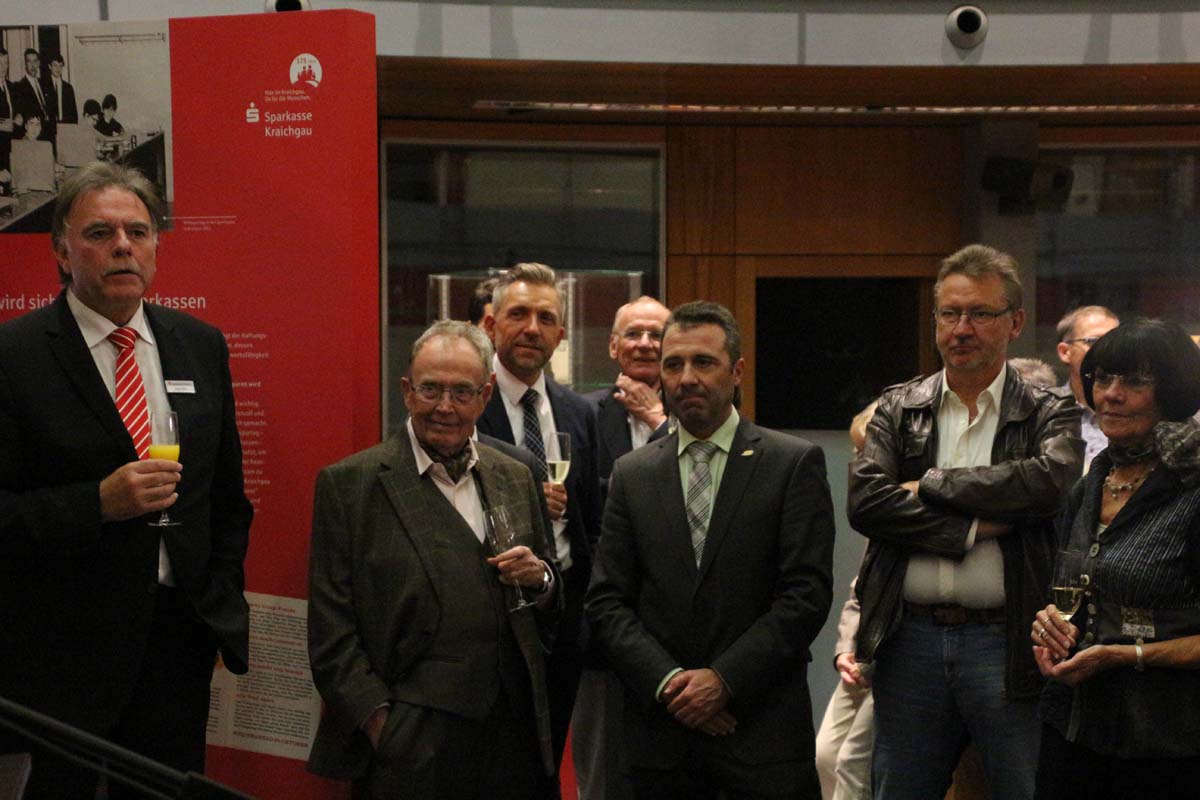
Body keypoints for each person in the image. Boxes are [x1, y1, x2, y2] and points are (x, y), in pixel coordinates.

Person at [0, 162, 253, 798]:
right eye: (100, 233)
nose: (122, 246)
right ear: (62, 251)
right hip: (62, 652)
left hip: (177, 641)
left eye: (137, 232)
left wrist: (217, 603)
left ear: (156, 247)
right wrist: (97, 503)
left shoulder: (199, 344)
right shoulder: (15, 355)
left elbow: (226, 498)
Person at [847, 244, 1083, 800]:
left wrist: (930, 483)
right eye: (950, 313)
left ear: (1015, 322)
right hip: (909, 640)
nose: (962, 329)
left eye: (980, 313)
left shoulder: (1049, 409)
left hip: (1008, 639)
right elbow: (867, 502)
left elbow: (1048, 484)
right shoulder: (900, 407)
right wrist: (973, 529)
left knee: (1024, 788)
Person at [587, 301, 835, 799]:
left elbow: (805, 595)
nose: (687, 378)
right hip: (661, 743)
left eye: (703, 362)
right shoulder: (633, 474)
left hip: (760, 734)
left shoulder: (791, 463)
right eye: (673, 364)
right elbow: (607, 601)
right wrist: (670, 684)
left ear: (736, 371)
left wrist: (723, 681)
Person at [307, 320, 560, 798]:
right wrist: (382, 727)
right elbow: (330, 633)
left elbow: (551, 591)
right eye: (430, 389)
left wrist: (542, 579)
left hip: (514, 739)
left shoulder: (515, 474)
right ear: (407, 391)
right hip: (409, 743)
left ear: (485, 396)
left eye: (462, 392)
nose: (445, 406)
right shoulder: (351, 485)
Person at [1030, 319, 1200, 798]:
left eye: (1134, 382)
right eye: (1102, 378)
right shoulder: (1089, 485)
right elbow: (1073, 591)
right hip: (1075, 728)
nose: (1110, 395)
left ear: (1174, 391)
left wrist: (1127, 655)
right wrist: (1049, 624)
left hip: (1170, 742)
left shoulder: (1191, 488)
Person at [477, 262, 602, 776]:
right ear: (490, 325)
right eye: (519, 314)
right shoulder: (466, 401)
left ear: (561, 334)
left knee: (547, 766)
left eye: (546, 318)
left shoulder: (580, 412)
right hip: (488, 614)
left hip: (564, 616)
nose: (532, 328)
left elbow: (592, 522)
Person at [574, 294, 671, 800]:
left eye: (657, 334)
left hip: (677, 626)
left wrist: (658, 420)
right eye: (634, 333)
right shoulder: (583, 414)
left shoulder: (696, 414)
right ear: (613, 346)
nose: (646, 343)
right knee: (601, 777)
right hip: (603, 627)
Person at [1055, 306, 1120, 469]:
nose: (1108, 350)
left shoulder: (1134, 411)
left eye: (1115, 342)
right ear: (1065, 352)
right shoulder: (1047, 412)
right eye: (1094, 342)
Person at [12, 48, 53, 143]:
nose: (32, 65)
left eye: (35, 61)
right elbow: (20, 117)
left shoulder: (45, 84)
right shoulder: (19, 87)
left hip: (48, 136)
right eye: (29, 61)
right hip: (33, 138)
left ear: (38, 63)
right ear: (25, 64)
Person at [46, 53, 78, 124]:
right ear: (49, 66)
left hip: (66, 125)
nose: (58, 69)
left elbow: (73, 113)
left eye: (60, 66)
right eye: (55, 65)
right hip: (50, 125)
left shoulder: (68, 88)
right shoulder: (44, 86)